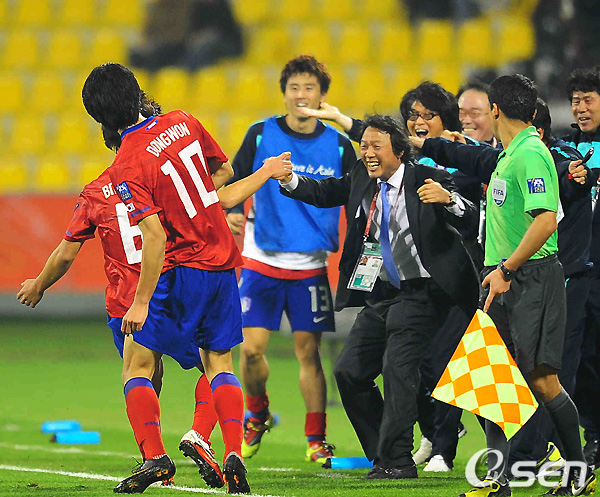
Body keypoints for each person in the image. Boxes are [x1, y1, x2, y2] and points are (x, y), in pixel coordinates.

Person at [80, 62, 289, 494]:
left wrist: (140, 302)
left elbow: (154, 237)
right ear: (138, 93)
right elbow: (223, 176)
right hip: (222, 263)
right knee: (219, 365)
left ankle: (156, 458)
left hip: (180, 270)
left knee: (137, 364)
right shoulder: (183, 121)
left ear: (100, 117)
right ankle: (233, 454)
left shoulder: (126, 164)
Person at [280, 114, 480, 479]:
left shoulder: (427, 178)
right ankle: (383, 453)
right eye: (364, 146)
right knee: (349, 371)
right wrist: (289, 179)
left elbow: (471, 218)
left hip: (425, 291)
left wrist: (449, 199)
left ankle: (397, 460)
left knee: (397, 368)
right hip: (383, 291)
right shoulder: (362, 176)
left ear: (399, 151)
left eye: (376, 146)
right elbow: (326, 192)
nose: (368, 153)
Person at [414, 96, 593, 479]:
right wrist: (426, 143)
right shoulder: (509, 155)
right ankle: (499, 479)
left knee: (543, 381)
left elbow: (546, 221)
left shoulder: (531, 154)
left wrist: (507, 269)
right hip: (502, 278)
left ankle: (574, 468)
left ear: (496, 110)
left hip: (527, 277)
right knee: (491, 381)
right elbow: (470, 156)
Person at [226, 54, 356, 463]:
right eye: (294, 87)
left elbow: (358, 196)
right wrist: (233, 211)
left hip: (309, 264)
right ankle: (257, 414)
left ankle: (316, 439)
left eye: (309, 88)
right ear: (283, 93)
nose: (301, 95)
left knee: (308, 353)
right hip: (260, 257)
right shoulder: (260, 134)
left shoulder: (339, 145)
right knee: (250, 350)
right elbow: (234, 177)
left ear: (322, 96)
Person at [563, 66, 600, 469]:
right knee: (581, 358)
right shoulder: (567, 147)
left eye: (588, 99)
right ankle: (592, 435)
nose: (580, 108)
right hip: (578, 270)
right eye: (576, 101)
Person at [457, 80, 497, 147]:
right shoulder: (443, 151)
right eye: (460, 113)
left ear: (493, 115)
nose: (466, 121)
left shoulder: (506, 150)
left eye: (474, 113)